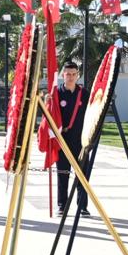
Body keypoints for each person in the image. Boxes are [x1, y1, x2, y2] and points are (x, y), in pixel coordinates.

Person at [53, 62, 89, 217]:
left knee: (82, 174)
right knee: (63, 173)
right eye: (68, 74)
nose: (71, 77)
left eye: (74, 74)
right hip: (62, 140)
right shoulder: (56, 93)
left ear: (78, 75)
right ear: (63, 75)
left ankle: (82, 206)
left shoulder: (84, 93)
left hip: (81, 141)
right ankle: (62, 205)